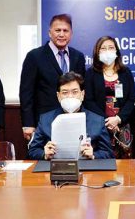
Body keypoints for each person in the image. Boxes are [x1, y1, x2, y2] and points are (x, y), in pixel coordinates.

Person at [20, 14, 86, 142]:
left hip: (73, 120)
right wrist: (28, 123)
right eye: (57, 30)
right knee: (46, 158)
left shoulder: (78, 57)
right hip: (44, 122)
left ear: (71, 34)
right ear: (50, 33)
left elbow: (82, 89)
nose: (61, 34)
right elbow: (26, 93)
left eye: (65, 31)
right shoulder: (34, 56)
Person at [28, 72, 114, 160]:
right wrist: (44, 154)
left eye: (75, 92)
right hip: (55, 168)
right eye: (65, 93)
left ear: (82, 95)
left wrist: (93, 155)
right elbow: (32, 151)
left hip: (87, 169)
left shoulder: (97, 120)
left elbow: (108, 153)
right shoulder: (45, 119)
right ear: (58, 96)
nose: (70, 96)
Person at [83, 36, 135, 159]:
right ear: (97, 52)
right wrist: (107, 120)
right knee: (99, 161)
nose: (107, 51)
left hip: (121, 125)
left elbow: (130, 99)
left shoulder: (125, 72)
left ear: (116, 51)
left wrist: (118, 119)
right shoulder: (91, 73)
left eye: (111, 48)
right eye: (103, 48)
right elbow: (89, 101)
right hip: (99, 126)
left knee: (124, 166)